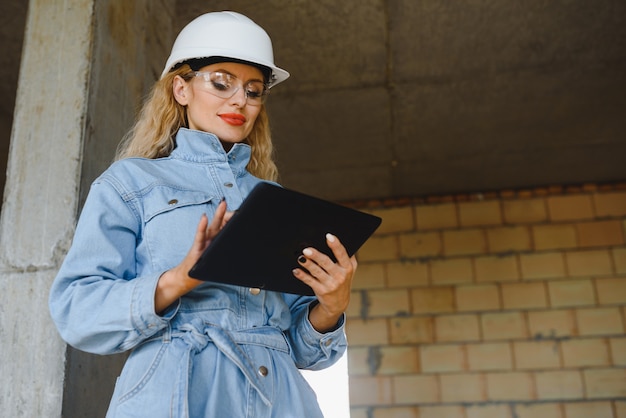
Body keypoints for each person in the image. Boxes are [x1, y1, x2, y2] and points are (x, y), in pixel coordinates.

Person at [49, 11, 356, 418]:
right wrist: (179, 280)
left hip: (279, 400)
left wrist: (331, 306)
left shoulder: (275, 200)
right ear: (181, 88)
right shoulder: (131, 183)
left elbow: (306, 350)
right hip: (175, 393)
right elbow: (75, 308)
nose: (239, 101)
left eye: (253, 90)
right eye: (221, 82)